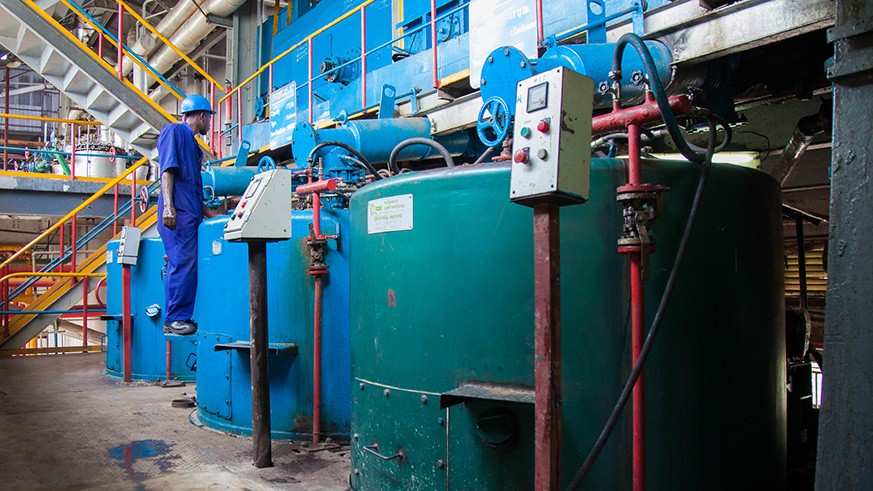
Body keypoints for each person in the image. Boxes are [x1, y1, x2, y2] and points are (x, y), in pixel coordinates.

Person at [157, 94, 218, 335]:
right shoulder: (174, 131)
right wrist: (168, 207)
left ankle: (182, 316)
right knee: (182, 262)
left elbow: (192, 188)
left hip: (189, 214)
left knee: (190, 263)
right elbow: (167, 169)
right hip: (177, 215)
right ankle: (174, 319)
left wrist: (212, 214)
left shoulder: (193, 145)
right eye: (209, 119)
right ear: (201, 116)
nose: (209, 125)